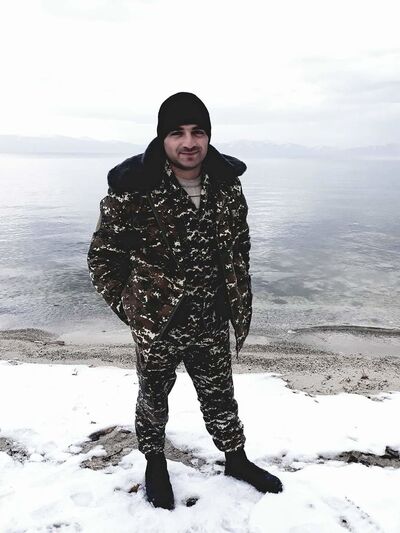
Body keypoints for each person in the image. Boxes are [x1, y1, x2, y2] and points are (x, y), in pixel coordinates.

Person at [87, 92, 283, 510]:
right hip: (159, 324)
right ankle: (155, 463)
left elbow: (240, 244)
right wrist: (132, 309)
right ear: (163, 138)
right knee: (153, 398)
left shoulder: (227, 184)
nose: (189, 142)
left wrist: (234, 294)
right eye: (177, 133)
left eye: (198, 132)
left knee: (221, 395)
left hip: (211, 318)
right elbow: (103, 259)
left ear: (209, 136)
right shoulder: (133, 188)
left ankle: (236, 459)